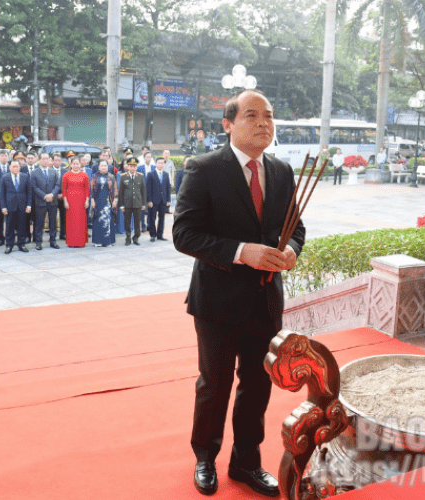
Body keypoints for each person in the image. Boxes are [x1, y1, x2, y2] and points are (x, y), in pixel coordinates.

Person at [172, 89, 305, 497]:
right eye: (252, 115)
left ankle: (247, 461)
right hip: (216, 301)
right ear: (228, 124)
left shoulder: (281, 171)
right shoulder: (204, 168)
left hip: (265, 301)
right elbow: (183, 234)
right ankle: (205, 458)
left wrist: (290, 252)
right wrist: (241, 252)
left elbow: (296, 229)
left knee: (257, 384)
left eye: (268, 115)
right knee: (214, 384)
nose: (264, 122)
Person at [0, 159, 32, 253]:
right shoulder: (4, 177)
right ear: (9, 167)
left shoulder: (25, 177)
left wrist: (29, 205)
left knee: (22, 226)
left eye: (17, 166)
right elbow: (1, 193)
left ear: (19, 167)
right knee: (9, 227)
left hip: (22, 206)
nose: (15, 168)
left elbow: (29, 192)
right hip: (9, 207)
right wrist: (3, 207)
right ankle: (9, 245)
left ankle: (21, 244)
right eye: (13, 166)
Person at [31, 152, 61, 250]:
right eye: (43, 159)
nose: (45, 161)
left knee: (53, 222)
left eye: (47, 159)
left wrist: (52, 194)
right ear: (39, 160)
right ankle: (38, 242)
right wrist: (44, 196)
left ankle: (53, 241)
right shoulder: (34, 172)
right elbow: (34, 187)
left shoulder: (53, 172)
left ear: (49, 160)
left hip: (52, 201)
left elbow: (57, 185)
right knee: (39, 223)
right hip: (40, 201)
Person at [62, 156, 90, 248]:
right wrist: (65, 201)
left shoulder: (84, 175)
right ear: (71, 164)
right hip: (70, 201)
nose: (76, 165)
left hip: (81, 201)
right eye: (74, 164)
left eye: (77, 164)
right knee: (71, 221)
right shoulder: (66, 175)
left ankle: (81, 242)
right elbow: (64, 190)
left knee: (81, 221)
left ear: (80, 164)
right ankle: (71, 242)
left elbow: (87, 189)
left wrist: (87, 200)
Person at [118, 157, 146, 246]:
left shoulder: (140, 176)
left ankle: (136, 237)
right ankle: (128, 237)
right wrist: (121, 205)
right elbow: (121, 192)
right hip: (127, 204)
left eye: (134, 166)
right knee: (127, 222)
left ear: (136, 167)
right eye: (131, 166)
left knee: (137, 222)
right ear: (128, 167)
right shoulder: (123, 177)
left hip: (137, 203)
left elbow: (143, 191)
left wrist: (143, 203)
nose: (133, 168)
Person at [90, 161, 118, 247]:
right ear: (98, 167)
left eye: (105, 165)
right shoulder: (94, 176)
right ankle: (98, 241)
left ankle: (108, 241)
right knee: (97, 220)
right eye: (101, 165)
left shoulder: (111, 176)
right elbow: (91, 190)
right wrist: (92, 200)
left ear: (107, 167)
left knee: (108, 220)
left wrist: (115, 200)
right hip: (98, 202)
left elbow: (115, 189)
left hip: (108, 202)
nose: (103, 167)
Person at [146, 156, 171, 242]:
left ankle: (160, 235)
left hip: (163, 200)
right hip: (153, 201)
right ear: (156, 164)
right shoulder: (150, 174)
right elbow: (148, 188)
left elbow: (168, 188)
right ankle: (153, 235)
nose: (160, 164)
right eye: (159, 163)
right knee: (152, 218)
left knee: (162, 218)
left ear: (164, 164)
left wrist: (168, 200)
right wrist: (149, 200)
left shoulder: (166, 174)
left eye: (162, 163)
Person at [54, 153, 68, 240]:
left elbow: (68, 185)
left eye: (59, 160)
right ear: (52, 161)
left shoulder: (65, 171)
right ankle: (53, 235)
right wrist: (55, 195)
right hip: (53, 197)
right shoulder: (49, 170)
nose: (57, 162)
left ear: (62, 161)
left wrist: (63, 194)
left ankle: (63, 234)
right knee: (53, 217)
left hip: (64, 197)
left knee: (64, 216)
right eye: (55, 160)